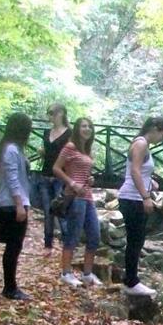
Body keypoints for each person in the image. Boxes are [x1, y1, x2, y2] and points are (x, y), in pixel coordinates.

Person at [117, 116, 163, 296]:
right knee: (135, 240)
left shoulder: (142, 144)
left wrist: (151, 182)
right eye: (162, 136)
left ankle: (131, 279)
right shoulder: (141, 144)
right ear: (155, 128)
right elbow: (134, 171)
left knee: (136, 240)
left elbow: (139, 170)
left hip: (134, 196)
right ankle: (131, 282)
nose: (161, 140)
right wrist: (146, 197)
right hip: (133, 198)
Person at [52, 117, 102, 288]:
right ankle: (66, 273)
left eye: (89, 126)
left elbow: (82, 171)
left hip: (88, 196)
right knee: (73, 235)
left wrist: (90, 179)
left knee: (94, 235)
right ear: (77, 129)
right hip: (75, 197)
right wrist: (72, 183)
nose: (87, 129)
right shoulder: (70, 146)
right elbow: (56, 168)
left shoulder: (86, 150)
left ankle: (87, 274)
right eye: (83, 126)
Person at [0, 113, 34, 300]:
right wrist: (19, 204)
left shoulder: (13, 149)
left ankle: (11, 285)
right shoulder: (11, 150)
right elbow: (12, 179)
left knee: (14, 246)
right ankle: (10, 287)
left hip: (15, 202)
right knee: (13, 246)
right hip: (11, 203)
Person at [38, 103, 72, 253]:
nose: (49, 116)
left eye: (52, 113)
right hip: (46, 174)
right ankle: (48, 244)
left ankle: (67, 245)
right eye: (49, 113)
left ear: (61, 114)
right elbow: (47, 151)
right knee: (48, 211)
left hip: (61, 176)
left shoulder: (69, 133)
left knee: (62, 210)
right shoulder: (47, 132)